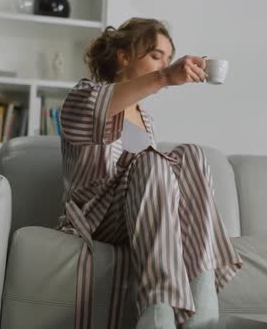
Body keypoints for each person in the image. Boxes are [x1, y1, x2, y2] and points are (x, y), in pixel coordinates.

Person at [56, 17, 243, 329]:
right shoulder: (85, 96)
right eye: (157, 56)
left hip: (139, 217)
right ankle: (158, 311)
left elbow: (155, 192)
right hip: (95, 217)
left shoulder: (146, 119)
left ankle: (203, 305)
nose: (164, 64)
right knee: (153, 162)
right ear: (124, 55)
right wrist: (166, 77)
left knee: (189, 154)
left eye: (168, 59)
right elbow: (103, 115)